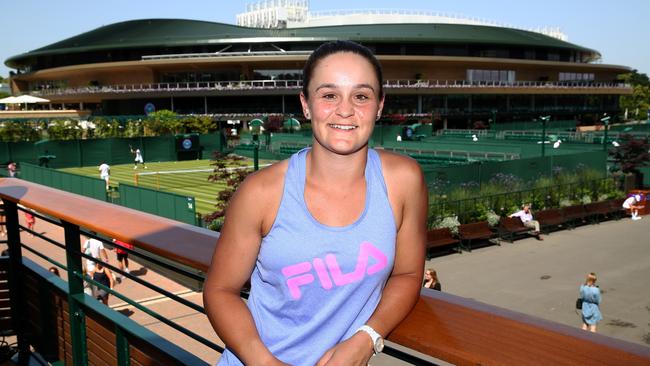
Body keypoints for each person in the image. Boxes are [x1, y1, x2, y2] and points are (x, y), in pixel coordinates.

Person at [203, 40, 427, 366]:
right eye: (329, 95)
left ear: (379, 106)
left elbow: (408, 274)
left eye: (361, 96)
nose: (345, 110)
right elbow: (220, 291)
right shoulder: (261, 192)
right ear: (306, 105)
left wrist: (368, 337)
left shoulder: (403, 181)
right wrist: (263, 362)